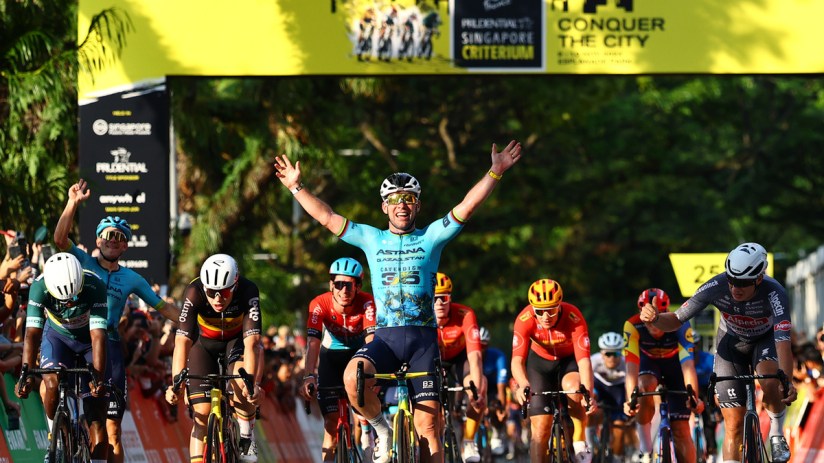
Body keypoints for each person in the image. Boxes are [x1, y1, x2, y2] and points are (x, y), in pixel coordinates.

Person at [274, 139, 522, 463]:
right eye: (394, 200)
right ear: (384, 207)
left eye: (409, 199)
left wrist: (495, 171)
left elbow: (467, 206)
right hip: (386, 340)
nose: (402, 205)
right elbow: (327, 217)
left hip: (423, 342)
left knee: (428, 432)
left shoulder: (432, 237)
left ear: (417, 205)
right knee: (353, 378)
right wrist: (296, 188)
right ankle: (381, 428)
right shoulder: (370, 238)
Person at [54, 179, 180, 463]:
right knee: (71, 404)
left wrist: (191, 323)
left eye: (119, 237)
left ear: (125, 246)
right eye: (107, 235)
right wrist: (72, 203)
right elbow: (60, 241)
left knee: (112, 430)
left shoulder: (132, 278)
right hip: (77, 338)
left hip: (109, 347)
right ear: (98, 240)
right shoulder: (82, 261)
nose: (112, 240)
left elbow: (163, 307)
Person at [640, 243, 797, 463]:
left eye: (742, 283)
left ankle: (776, 434)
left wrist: (787, 382)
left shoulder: (776, 293)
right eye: (731, 280)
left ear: (759, 279)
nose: (735, 288)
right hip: (730, 343)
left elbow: (783, 342)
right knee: (733, 425)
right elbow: (676, 320)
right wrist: (656, 318)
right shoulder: (716, 286)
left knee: (772, 380)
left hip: (765, 340)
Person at [165, 254, 263, 463]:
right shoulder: (194, 291)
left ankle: (246, 435)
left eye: (224, 292)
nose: (218, 299)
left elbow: (252, 343)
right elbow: (182, 341)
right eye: (212, 292)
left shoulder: (248, 290)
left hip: (236, 344)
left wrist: (252, 383)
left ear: (235, 285)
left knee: (241, 383)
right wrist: (176, 384)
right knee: (201, 414)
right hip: (204, 346)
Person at [17, 253, 109, 462]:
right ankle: (57, 439)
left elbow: (98, 336)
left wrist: (98, 378)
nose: (69, 304)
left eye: (74, 297)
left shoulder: (95, 285)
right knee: (51, 384)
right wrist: (27, 373)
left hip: (88, 341)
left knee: (96, 416)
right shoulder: (39, 287)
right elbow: (31, 334)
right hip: (57, 338)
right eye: (63, 300)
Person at [511, 278, 596, 463]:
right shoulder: (524, 319)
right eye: (540, 311)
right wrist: (523, 384)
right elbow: (517, 360)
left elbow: (583, 360)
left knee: (574, 388)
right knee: (540, 429)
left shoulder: (574, 316)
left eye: (551, 309)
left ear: (560, 305)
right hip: (539, 365)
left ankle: (579, 438)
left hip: (568, 362)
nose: (545, 316)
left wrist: (588, 393)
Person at [299, 257, 376, 462]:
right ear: (331, 285)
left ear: (358, 286)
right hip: (330, 357)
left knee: (363, 407)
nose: (343, 290)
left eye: (349, 285)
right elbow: (313, 343)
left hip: (359, 354)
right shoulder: (319, 304)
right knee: (331, 427)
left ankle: (366, 427)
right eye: (338, 284)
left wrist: (372, 374)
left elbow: (371, 340)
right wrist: (308, 376)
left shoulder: (367, 302)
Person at [624, 287, 703, 463]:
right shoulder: (632, 325)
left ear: (665, 313)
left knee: (681, 429)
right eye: (647, 320)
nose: (652, 325)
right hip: (648, 363)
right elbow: (631, 368)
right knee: (644, 386)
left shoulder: (680, 324)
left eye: (656, 319)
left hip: (675, 366)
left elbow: (688, 366)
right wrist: (631, 399)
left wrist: (694, 397)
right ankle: (645, 447)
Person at [432, 272, 486, 462]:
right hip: (433, 360)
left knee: (479, 386)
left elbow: (475, 355)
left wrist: (476, 388)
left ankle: (469, 441)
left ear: (450, 299)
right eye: (434, 298)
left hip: (459, 359)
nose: (439, 303)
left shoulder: (465, 314)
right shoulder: (422, 316)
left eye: (443, 298)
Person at [587, 332, 633, 462]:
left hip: (618, 391)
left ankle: (617, 458)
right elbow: (586, 382)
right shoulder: (594, 361)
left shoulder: (627, 363)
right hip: (600, 388)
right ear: (602, 354)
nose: (612, 358)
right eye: (608, 354)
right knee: (589, 404)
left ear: (621, 354)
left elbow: (633, 384)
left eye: (616, 353)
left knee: (619, 428)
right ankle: (590, 445)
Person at [479, 326, 509, 456]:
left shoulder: (498, 356)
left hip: (493, 388)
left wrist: (501, 408)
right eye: (478, 345)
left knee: (496, 407)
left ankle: (497, 431)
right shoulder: (469, 355)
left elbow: (501, 387)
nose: (480, 349)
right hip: (476, 387)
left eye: (484, 346)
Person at [692, 332, 719, 463]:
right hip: (690, 390)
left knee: (709, 421)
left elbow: (717, 383)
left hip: (707, 390)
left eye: (695, 345)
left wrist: (717, 408)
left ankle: (711, 451)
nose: (693, 349)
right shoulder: (682, 360)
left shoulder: (708, 359)